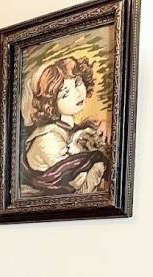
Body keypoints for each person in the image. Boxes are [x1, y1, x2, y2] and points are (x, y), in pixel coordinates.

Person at [23, 56, 110, 195]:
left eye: (77, 83)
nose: (77, 94)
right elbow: (81, 188)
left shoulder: (71, 127)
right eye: (65, 93)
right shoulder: (48, 139)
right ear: (51, 103)